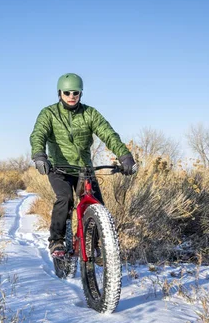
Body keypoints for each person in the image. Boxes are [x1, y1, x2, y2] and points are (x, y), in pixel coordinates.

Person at [29, 73, 137, 256]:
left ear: (81, 94)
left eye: (76, 93)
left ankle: (94, 245)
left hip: (84, 169)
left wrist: (124, 155)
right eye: (67, 92)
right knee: (65, 199)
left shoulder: (90, 113)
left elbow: (108, 134)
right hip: (58, 168)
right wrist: (40, 156)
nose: (72, 96)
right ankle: (57, 241)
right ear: (60, 93)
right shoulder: (49, 113)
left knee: (97, 205)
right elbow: (38, 134)